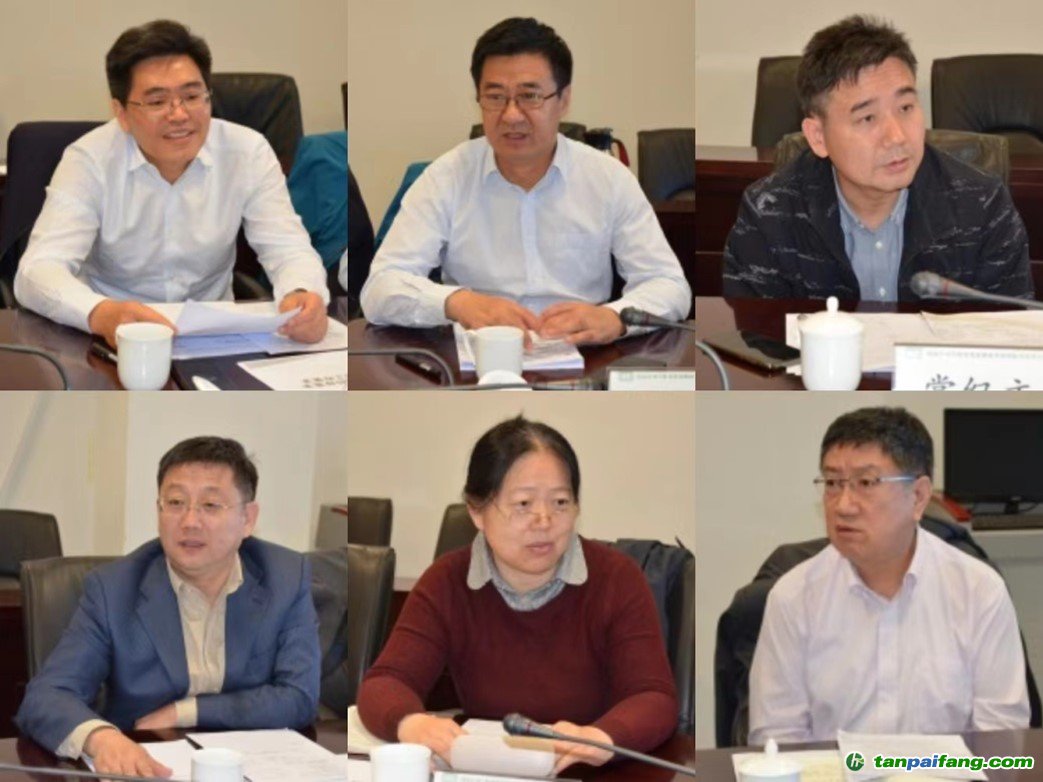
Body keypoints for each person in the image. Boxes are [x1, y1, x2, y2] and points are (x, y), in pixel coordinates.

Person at [356, 416, 677, 774]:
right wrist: (412, 724)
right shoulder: (447, 582)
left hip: (591, 773)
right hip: (485, 772)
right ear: (476, 511)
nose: (544, 521)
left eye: (560, 502)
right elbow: (385, 682)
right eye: (523, 504)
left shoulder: (617, 579)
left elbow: (655, 696)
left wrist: (601, 737)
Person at [359, 17, 690, 345]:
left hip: (584, 354)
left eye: (530, 96)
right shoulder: (445, 177)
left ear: (563, 100)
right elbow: (380, 287)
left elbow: (669, 284)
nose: (511, 115)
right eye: (495, 97)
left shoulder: (608, 179)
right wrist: (457, 302)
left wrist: (615, 318)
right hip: (478, 354)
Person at [16, 436, 320, 778]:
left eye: (210, 505)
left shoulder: (285, 577)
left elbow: (299, 697)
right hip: (148, 764)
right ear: (159, 510)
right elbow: (47, 695)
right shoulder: (114, 589)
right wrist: (102, 739)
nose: (190, 521)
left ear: (247, 518)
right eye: (175, 502)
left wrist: (186, 712)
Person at [14, 20, 330, 348]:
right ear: (121, 113)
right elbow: (37, 270)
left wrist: (302, 293)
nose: (179, 115)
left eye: (192, 96)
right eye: (156, 102)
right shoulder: (89, 160)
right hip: (111, 339)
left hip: (215, 338)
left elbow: (287, 247)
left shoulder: (247, 152)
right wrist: (99, 313)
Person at [749, 407, 1029, 744]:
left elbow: (1001, 739)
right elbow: (777, 740)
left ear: (918, 497)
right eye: (833, 483)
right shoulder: (793, 597)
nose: (843, 505)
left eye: (866, 483)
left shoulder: (979, 591)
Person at [722, 15, 1034, 302]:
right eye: (868, 118)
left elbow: (1011, 333)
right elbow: (754, 337)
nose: (897, 136)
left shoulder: (982, 206)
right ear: (818, 136)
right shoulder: (770, 215)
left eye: (906, 108)